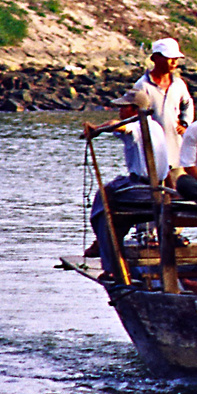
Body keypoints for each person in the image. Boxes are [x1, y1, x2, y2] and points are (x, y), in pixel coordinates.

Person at [83, 89, 174, 280]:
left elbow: (117, 126)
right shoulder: (154, 125)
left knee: (103, 202)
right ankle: (109, 249)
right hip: (152, 185)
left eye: (123, 107)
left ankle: (108, 263)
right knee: (112, 200)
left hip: (144, 188)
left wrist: (96, 128)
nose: (119, 111)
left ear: (134, 110)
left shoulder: (137, 125)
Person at [134, 38, 194, 166]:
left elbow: (188, 104)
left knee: (178, 180)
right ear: (155, 58)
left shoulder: (178, 84)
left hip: (176, 148)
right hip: (153, 149)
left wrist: (185, 123)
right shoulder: (142, 85)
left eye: (176, 59)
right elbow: (133, 113)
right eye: (169, 58)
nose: (173, 62)